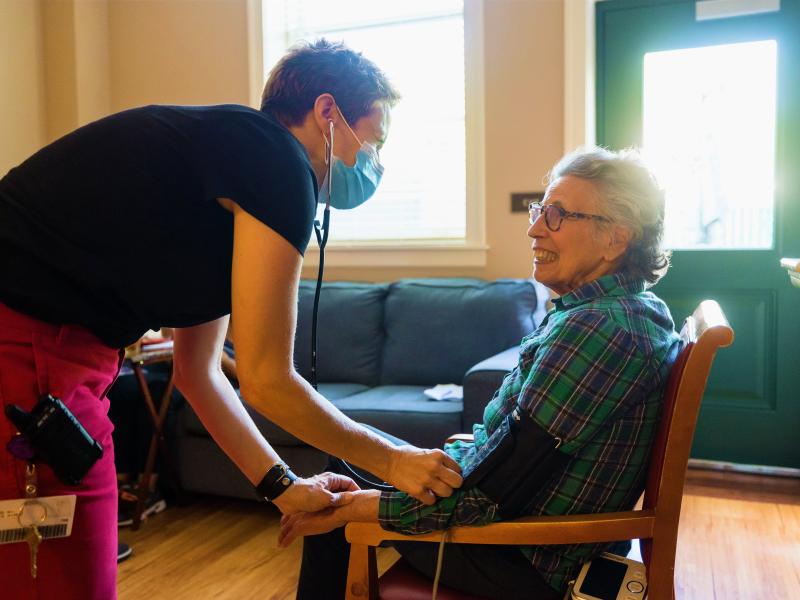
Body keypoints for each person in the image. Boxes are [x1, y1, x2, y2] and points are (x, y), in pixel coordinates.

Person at [0, 39, 462, 599]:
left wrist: (283, 487)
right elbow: (269, 379)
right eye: (373, 139)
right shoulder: (277, 162)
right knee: (63, 579)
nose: (373, 161)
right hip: (27, 352)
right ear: (327, 113)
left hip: (55, 354)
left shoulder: (231, 170)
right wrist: (397, 460)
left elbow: (200, 373)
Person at [279, 147, 682, 600]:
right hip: (521, 526)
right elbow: (513, 460)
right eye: (539, 211)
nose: (533, 229)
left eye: (557, 215)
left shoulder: (600, 330)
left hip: (522, 556)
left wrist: (358, 507)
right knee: (351, 460)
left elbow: (491, 495)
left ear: (616, 238)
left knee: (338, 500)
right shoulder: (621, 312)